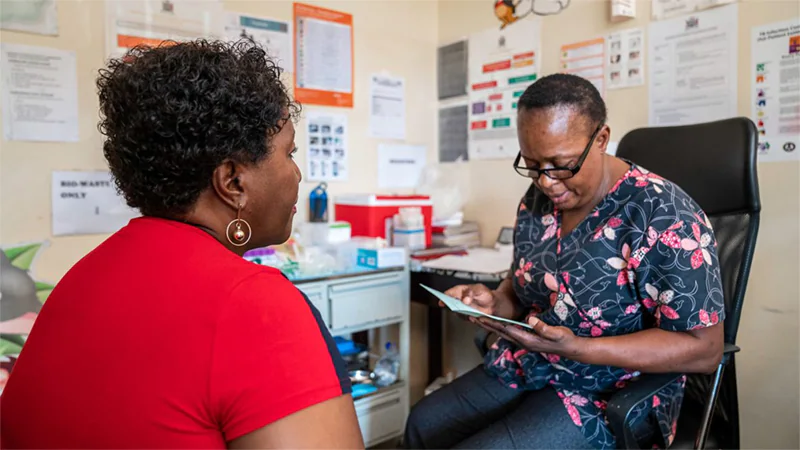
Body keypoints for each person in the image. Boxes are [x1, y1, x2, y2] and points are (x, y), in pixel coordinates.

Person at [1, 40, 364, 449]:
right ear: (233, 182)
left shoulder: (81, 278)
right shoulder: (255, 305)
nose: (298, 174)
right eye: (289, 153)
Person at [404, 73, 725, 450]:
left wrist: (579, 349)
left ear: (601, 140)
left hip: (613, 391)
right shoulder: (538, 198)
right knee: (423, 424)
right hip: (531, 364)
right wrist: (495, 302)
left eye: (562, 164)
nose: (547, 182)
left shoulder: (663, 215)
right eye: (532, 164)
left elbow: (704, 349)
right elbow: (523, 286)